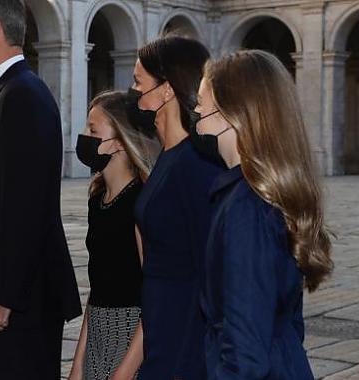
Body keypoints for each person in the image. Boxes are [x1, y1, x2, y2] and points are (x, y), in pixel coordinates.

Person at [0, 0, 82, 378]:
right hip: (4, 294)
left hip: (20, 302)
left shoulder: (23, 95)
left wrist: (5, 297)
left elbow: (26, 208)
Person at [195, 50, 333, 379]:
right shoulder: (253, 195)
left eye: (202, 102)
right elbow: (287, 321)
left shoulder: (247, 206)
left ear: (233, 111)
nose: (195, 111)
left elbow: (245, 355)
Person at [126, 35, 221, 380]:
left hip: (184, 338)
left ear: (166, 89)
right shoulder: (167, 156)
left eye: (138, 82)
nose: (132, 92)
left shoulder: (198, 163)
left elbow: (209, 273)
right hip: (160, 324)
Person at [68, 91, 159, 380]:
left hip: (134, 336)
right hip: (98, 332)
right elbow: (99, 287)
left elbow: (156, 295)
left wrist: (125, 372)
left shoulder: (142, 201)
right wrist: (77, 365)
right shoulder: (97, 199)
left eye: (93, 130)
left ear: (119, 140)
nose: (84, 136)